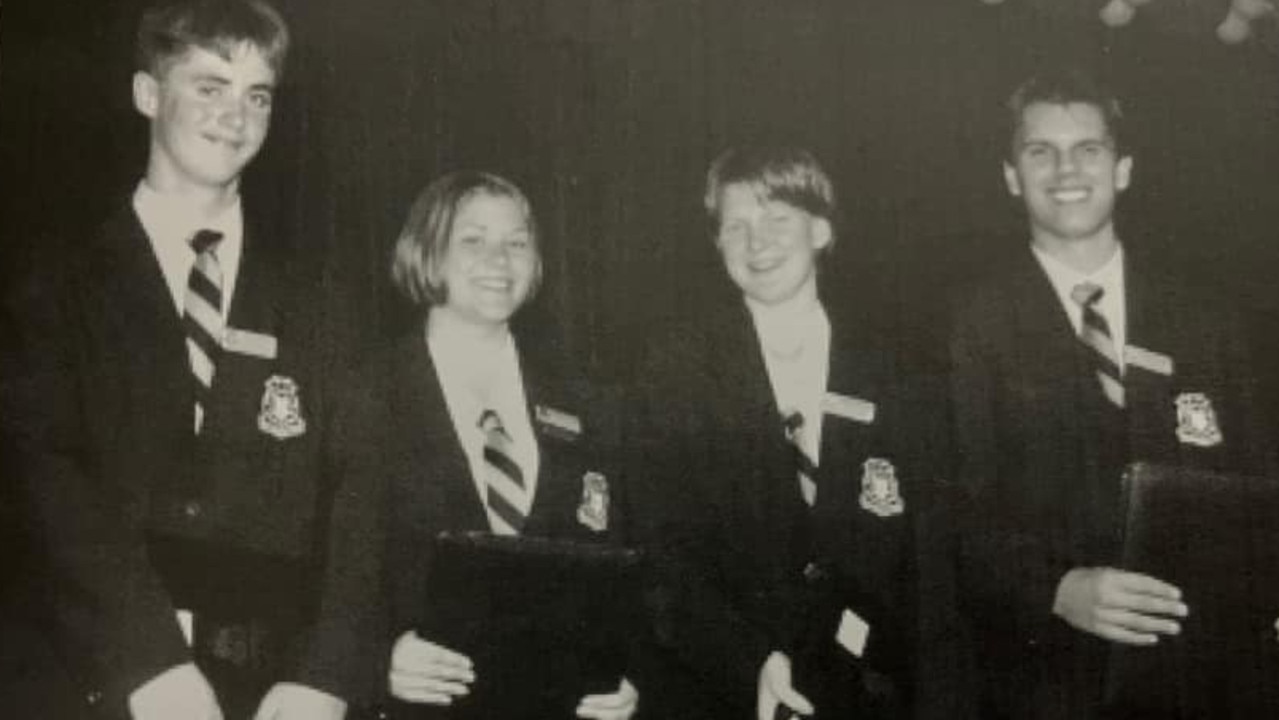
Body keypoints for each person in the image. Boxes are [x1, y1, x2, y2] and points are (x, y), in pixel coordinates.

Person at [0, 1, 354, 718]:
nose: (237, 113)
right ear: (147, 94)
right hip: (99, 677)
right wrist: (146, 659)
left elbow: (357, 497)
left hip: (280, 695)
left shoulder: (322, 298)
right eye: (209, 85)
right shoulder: (50, 286)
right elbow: (46, 483)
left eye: (258, 94)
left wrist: (328, 673)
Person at [949, 69, 1275, 719]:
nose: (1065, 168)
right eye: (1039, 150)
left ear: (1121, 169)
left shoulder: (1209, 322)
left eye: (1087, 148)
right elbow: (951, 514)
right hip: (1049, 681)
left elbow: (1259, 487)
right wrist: (1056, 588)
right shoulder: (967, 327)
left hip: (1203, 677)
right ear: (1011, 176)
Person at [255, 171, 640, 720]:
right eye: (474, 240)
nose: (499, 260)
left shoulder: (589, 401)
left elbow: (628, 573)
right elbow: (311, 573)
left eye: (517, 242)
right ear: (427, 252)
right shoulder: (364, 393)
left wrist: (627, 676)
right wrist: (375, 661)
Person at [630, 146, 948, 720]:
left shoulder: (895, 363)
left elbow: (926, 554)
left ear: (821, 229)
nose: (758, 243)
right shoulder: (674, 370)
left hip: (871, 690)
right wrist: (749, 659)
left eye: (778, 219)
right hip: (732, 689)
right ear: (717, 243)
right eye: (737, 226)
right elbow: (665, 555)